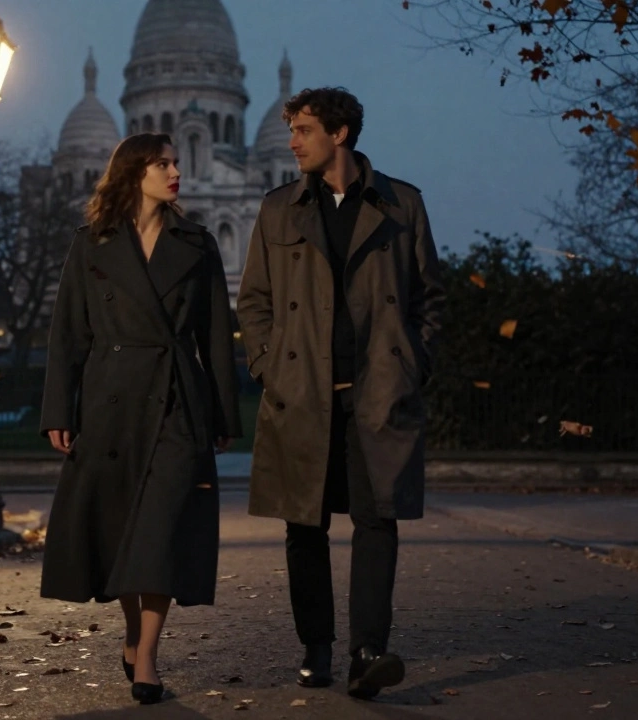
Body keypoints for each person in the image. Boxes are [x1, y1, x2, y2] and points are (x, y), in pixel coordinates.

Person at [236, 87, 445, 700]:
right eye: (292, 130)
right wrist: (270, 365)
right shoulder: (278, 210)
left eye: (303, 130)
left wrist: (413, 362)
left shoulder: (402, 204)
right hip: (302, 390)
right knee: (305, 523)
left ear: (341, 134)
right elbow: (255, 300)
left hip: (377, 388)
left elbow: (431, 296)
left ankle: (367, 651)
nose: (292, 141)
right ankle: (317, 646)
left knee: (377, 519)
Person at [38, 132, 242, 705]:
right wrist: (59, 408)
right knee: (120, 530)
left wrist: (222, 412)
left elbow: (216, 338)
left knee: (160, 530)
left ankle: (147, 654)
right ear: (134, 173)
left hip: (177, 402)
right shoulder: (91, 244)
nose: (177, 171)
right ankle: (133, 632)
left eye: (177, 161)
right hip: (110, 403)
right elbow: (68, 334)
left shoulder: (198, 244)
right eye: (164, 163)